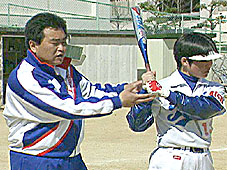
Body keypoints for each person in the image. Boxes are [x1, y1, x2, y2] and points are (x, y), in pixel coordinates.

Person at [3, 12, 155, 170]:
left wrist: (128, 88)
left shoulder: (65, 69)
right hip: (36, 160)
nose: (61, 49)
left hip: (72, 159)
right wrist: (119, 101)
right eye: (54, 43)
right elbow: (67, 108)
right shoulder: (25, 77)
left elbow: (91, 92)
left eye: (63, 42)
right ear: (33, 45)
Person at [126, 32, 226, 170]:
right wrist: (145, 92)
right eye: (203, 61)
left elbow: (203, 109)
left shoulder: (213, 88)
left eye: (210, 60)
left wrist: (168, 94)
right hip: (170, 158)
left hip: (204, 159)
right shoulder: (162, 86)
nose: (209, 65)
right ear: (184, 61)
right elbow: (137, 124)